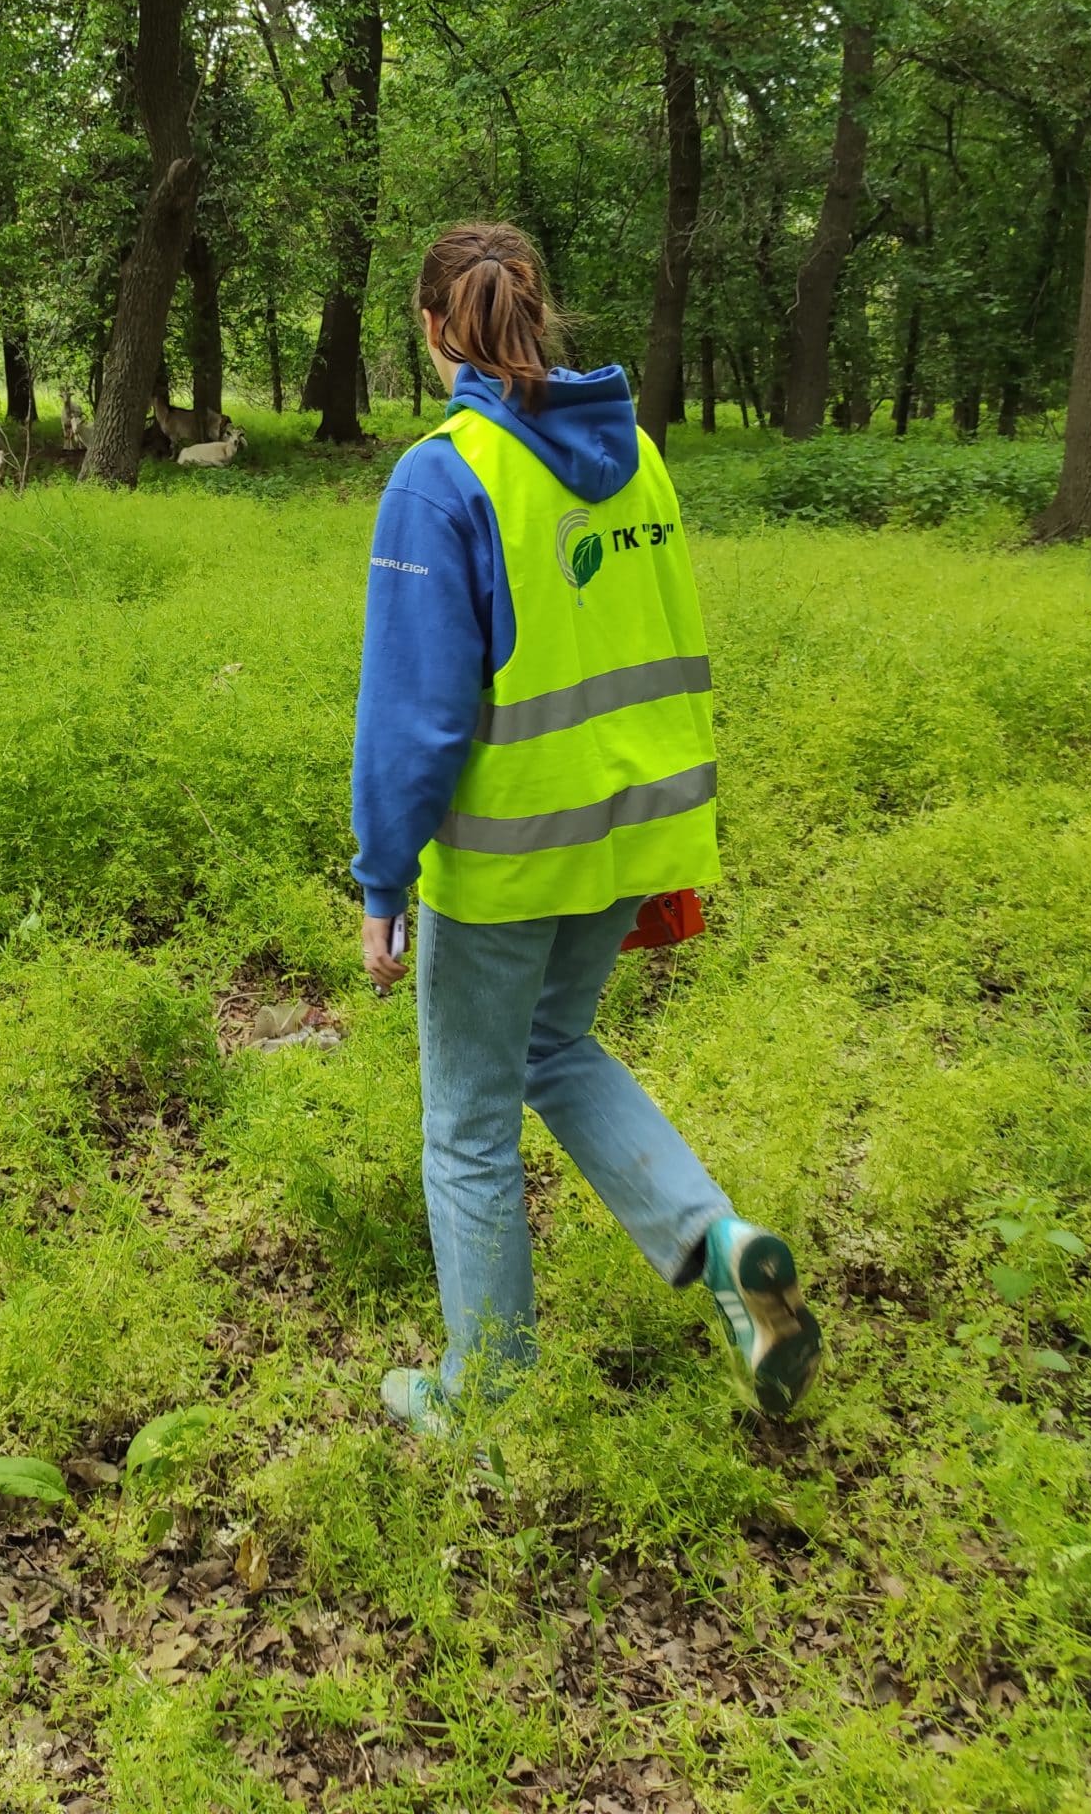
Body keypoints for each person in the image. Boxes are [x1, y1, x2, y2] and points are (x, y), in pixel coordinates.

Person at [351, 221, 820, 1431]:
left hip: (510, 855)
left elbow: (412, 715)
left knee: (462, 1127)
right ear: (535, 312)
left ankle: (482, 1400)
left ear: (431, 326)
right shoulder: (641, 455)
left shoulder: (442, 475)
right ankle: (717, 1242)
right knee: (550, 1051)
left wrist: (379, 878)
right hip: (629, 831)